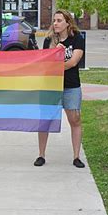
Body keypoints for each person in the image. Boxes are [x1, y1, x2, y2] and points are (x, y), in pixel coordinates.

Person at [34, 9, 86, 168]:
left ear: (67, 23)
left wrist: (58, 59)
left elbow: (73, 62)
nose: (55, 23)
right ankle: (41, 155)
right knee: (45, 121)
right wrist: (55, 50)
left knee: (75, 119)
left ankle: (76, 157)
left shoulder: (76, 39)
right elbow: (45, 63)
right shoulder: (49, 40)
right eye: (54, 20)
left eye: (59, 20)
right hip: (50, 86)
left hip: (71, 86)